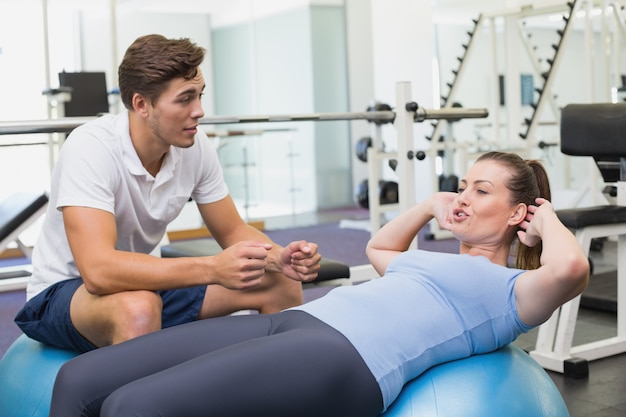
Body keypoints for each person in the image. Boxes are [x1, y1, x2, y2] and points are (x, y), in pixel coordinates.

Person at [50, 151, 589, 417]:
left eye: (482, 190)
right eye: (462, 185)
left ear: (518, 211)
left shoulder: (508, 290)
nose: (464, 196)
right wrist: (429, 204)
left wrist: (546, 219)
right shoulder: (426, 261)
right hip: (299, 323)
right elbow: (381, 249)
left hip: (346, 358)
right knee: (77, 381)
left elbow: (569, 270)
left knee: (132, 409)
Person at [14, 34, 321, 354]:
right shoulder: (90, 148)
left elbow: (232, 230)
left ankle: (274, 392)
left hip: (144, 284)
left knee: (278, 281)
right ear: (141, 104)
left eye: (200, 96)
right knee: (139, 307)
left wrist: (278, 256)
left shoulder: (195, 146)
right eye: (185, 99)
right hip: (62, 294)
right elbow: (98, 272)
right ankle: (139, 406)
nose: (200, 111)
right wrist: (213, 268)